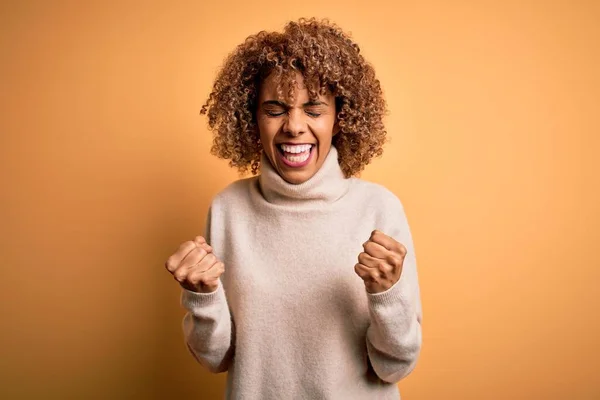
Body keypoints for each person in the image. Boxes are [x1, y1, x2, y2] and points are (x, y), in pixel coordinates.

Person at [164, 18, 422, 399]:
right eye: (275, 109)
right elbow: (215, 359)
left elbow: (394, 366)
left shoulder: (378, 209)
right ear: (252, 118)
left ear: (340, 119)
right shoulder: (228, 209)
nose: (295, 126)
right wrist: (201, 296)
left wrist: (387, 294)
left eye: (314, 109)